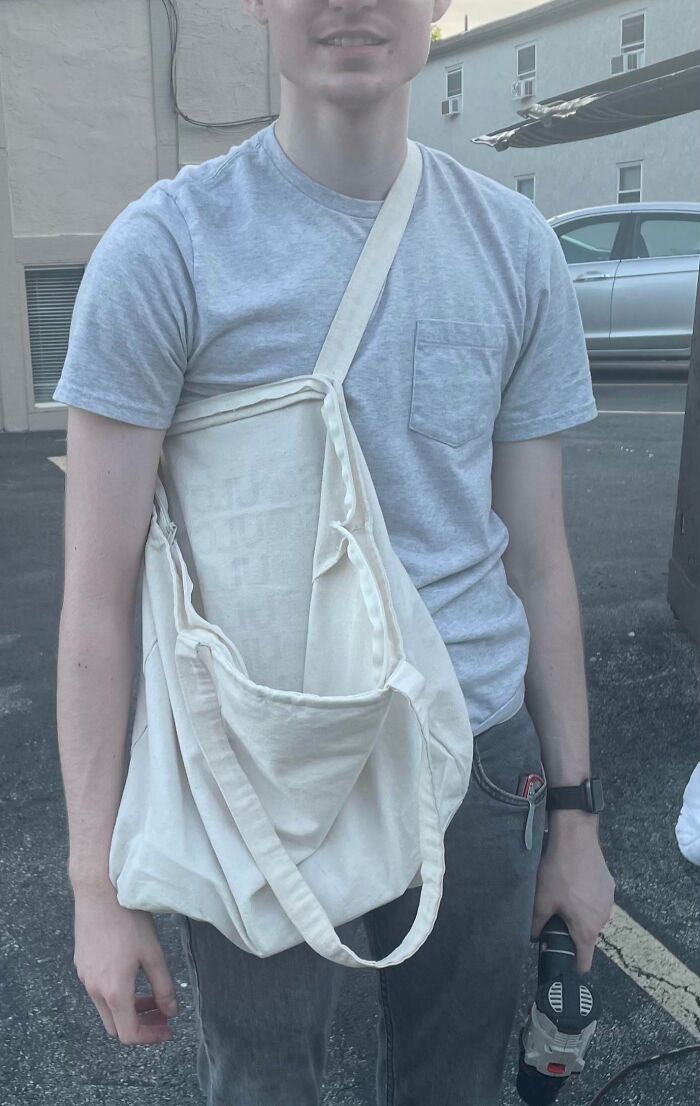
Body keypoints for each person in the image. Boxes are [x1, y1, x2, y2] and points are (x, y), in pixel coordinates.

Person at [53, 0, 615, 1102]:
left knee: (455, 1084)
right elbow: (98, 595)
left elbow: (538, 563)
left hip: (477, 755)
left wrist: (575, 819)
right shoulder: (167, 248)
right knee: (263, 1081)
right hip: (259, 757)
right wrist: (95, 886)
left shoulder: (514, 246)